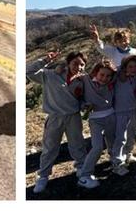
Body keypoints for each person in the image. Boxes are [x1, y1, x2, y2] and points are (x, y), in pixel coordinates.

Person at [27, 51, 86, 193]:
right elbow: (29, 71)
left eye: (82, 64)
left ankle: (82, 170)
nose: (78, 67)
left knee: (78, 144)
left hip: (73, 117)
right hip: (55, 117)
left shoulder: (83, 80)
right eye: (75, 63)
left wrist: (84, 104)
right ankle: (43, 176)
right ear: (68, 63)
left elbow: (85, 97)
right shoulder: (51, 75)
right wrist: (45, 60)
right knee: (50, 148)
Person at [78, 60, 117, 189]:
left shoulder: (113, 82)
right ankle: (85, 175)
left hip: (111, 116)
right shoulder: (85, 80)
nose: (104, 78)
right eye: (101, 75)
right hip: (95, 119)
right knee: (97, 147)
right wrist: (84, 105)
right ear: (96, 72)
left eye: (108, 76)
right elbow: (79, 96)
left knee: (112, 142)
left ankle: (115, 162)